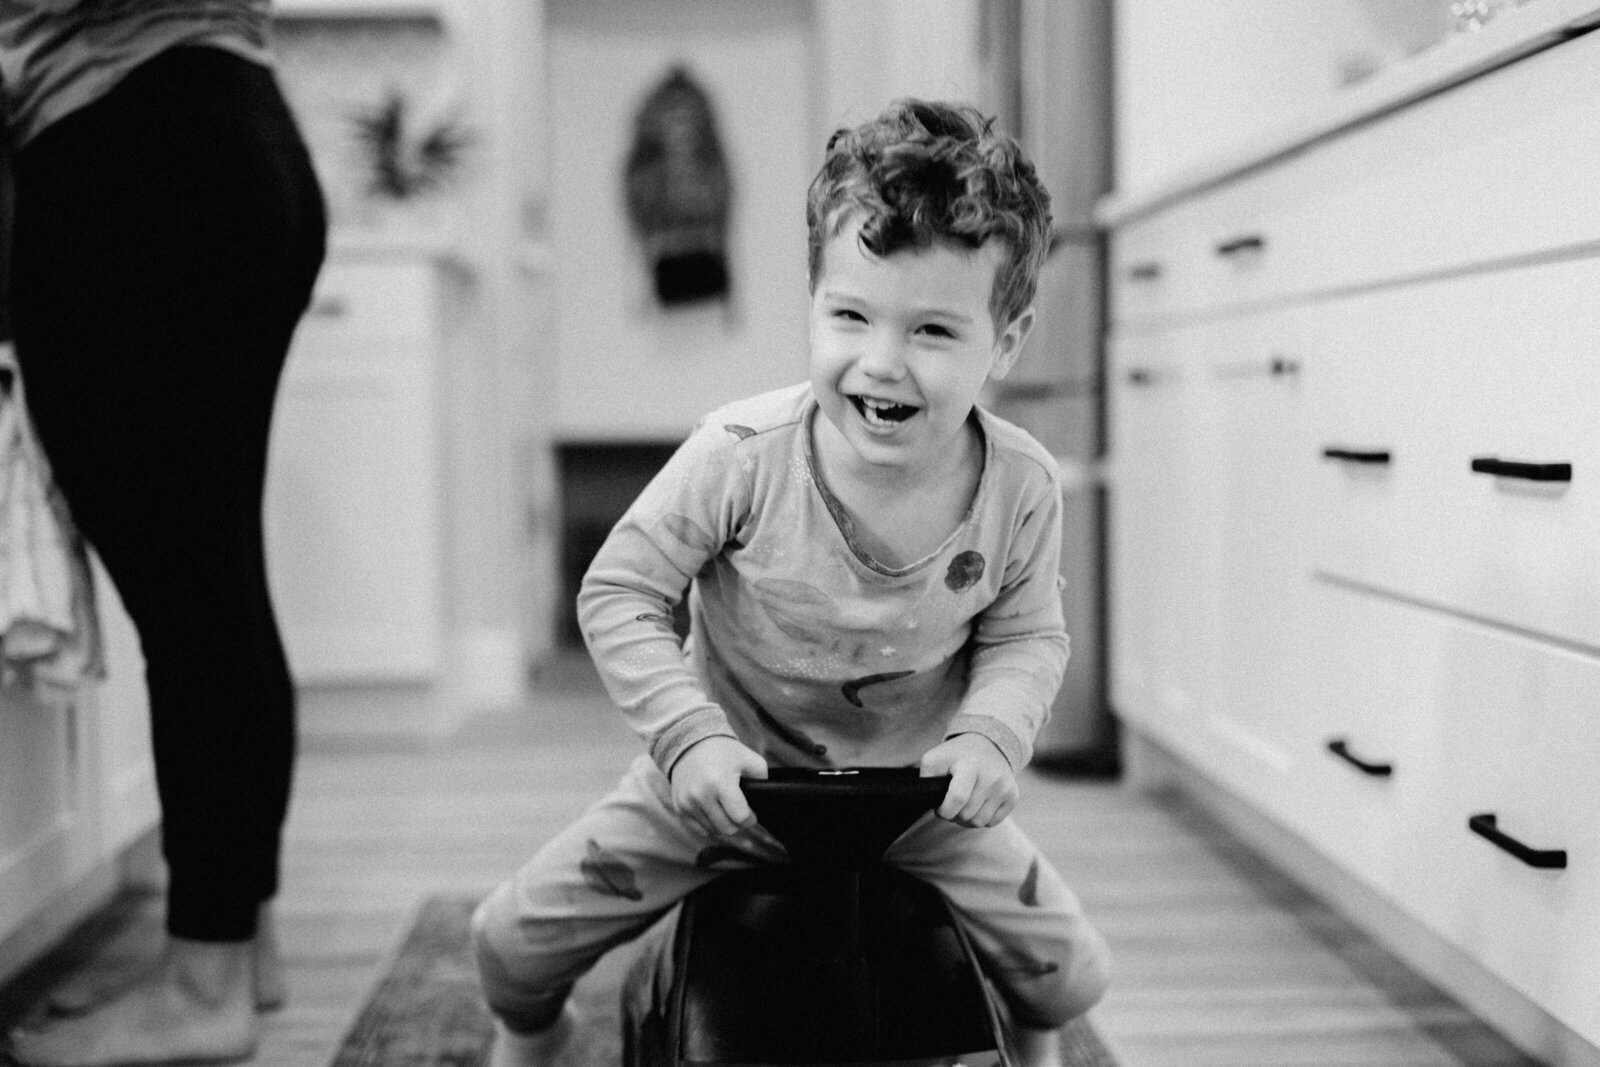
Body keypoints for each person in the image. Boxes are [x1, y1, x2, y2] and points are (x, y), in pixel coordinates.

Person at [471, 98, 1111, 1067]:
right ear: (812, 300)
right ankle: (531, 1036)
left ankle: (1034, 1040)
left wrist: (991, 735)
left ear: (1005, 342)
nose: (881, 362)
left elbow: (1026, 633)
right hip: (722, 790)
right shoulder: (738, 455)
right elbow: (620, 591)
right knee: (506, 942)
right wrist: (688, 739)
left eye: (934, 331)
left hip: (914, 807)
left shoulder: (1018, 484)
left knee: (1069, 969)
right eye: (850, 315)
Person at [0, 3, 326, 1065]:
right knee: (221, 582)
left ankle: (203, 982)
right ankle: (242, 943)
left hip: (132, 151)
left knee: (195, 603)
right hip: (238, 130)